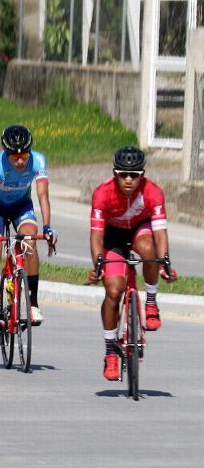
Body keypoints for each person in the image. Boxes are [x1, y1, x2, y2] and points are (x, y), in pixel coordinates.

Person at [88, 146, 177, 381]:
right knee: (113, 291)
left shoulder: (153, 193)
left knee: (150, 250)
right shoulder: (102, 194)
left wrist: (164, 263)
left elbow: (160, 234)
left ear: (143, 175)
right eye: (123, 174)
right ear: (114, 173)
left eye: (135, 175)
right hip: (113, 236)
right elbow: (96, 236)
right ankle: (110, 352)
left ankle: (150, 302)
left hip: (140, 229)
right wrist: (98, 264)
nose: (129, 180)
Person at [0, 124, 55, 334]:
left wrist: (48, 227)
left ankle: (33, 303)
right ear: (6, 153)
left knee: (30, 241)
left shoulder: (38, 160)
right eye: (14, 157)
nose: (20, 160)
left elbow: (43, 197)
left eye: (24, 155)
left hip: (22, 206)